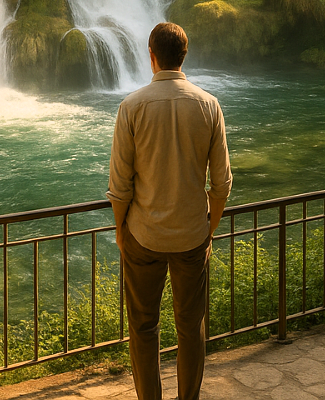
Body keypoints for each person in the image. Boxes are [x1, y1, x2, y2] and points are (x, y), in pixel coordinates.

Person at [107, 22, 232, 400]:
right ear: (184, 56)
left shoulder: (131, 107)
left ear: (151, 56)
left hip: (143, 235)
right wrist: (209, 227)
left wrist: (120, 230)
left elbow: (120, 185)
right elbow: (222, 183)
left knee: (144, 328)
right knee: (190, 328)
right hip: (193, 235)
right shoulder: (209, 105)